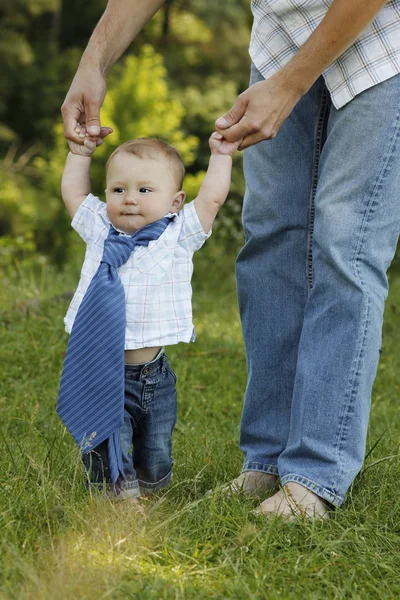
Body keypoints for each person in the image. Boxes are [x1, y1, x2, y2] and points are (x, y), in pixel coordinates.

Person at [61, 0, 400, 519]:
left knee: (344, 244)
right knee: (270, 237)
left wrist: (290, 87)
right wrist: (93, 63)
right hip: (280, 37)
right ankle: (266, 457)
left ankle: (314, 471)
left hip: (380, 40)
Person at [58, 126, 240, 500]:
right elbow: (74, 193)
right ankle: (117, 502)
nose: (129, 199)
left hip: (155, 375)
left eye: (144, 190)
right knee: (108, 443)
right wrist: (80, 153)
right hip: (101, 368)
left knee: (155, 450)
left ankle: (155, 498)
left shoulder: (178, 234)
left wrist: (222, 155)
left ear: (175, 202)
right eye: (118, 189)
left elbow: (211, 200)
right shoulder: (100, 229)